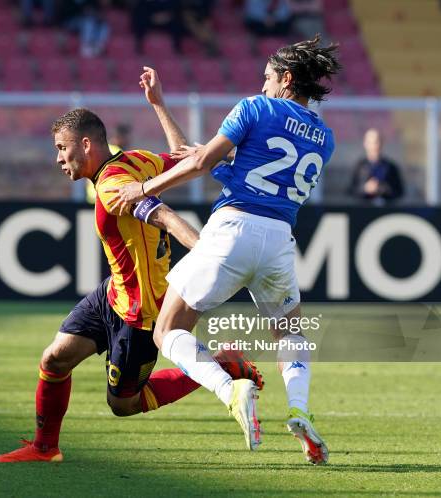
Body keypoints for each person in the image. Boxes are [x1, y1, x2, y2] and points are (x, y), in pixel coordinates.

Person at [0, 74, 263, 463]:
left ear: (85, 145)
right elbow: (187, 158)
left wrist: (208, 254)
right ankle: (44, 448)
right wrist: (158, 104)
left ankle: (222, 364)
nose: (57, 158)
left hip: (142, 313)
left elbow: (166, 217)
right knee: (54, 359)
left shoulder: (111, 188)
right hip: (113, 293)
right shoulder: (136, 160)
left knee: (123, 404)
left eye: (61, 148)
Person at [106, 35, 341, 464]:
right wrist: (160, 105)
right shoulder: (325, 138)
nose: (263, 84)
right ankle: (299, 410)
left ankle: (228, 388)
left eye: (268, 78)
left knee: (168, 330)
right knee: (290, 333)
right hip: (280, 241)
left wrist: (142, 187)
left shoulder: (255, 107)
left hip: (233, 230)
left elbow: (197, 165)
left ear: (286, 79)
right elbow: (198, 158)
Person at [348, 128, 403, 204]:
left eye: (376, 142)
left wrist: (383, 189)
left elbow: (399, 192)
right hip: (363, 210)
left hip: (386, 211)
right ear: (365, 144)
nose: (374, 146)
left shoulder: (391, 167)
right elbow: (350, 190)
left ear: (382, 143)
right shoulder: (359, 166)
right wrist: (365, 189)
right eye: (370, 142)